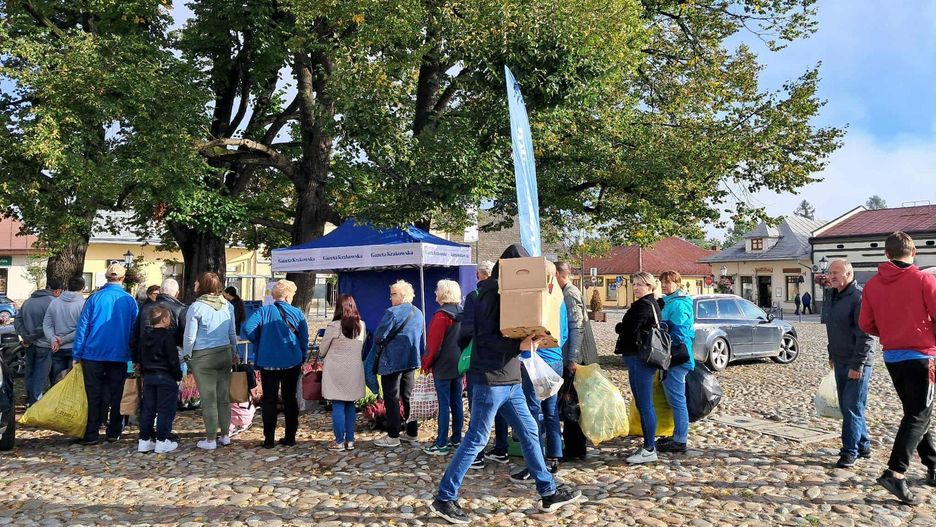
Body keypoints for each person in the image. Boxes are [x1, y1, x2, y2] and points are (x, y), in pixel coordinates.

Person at [429, 244, 584, 525]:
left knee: (529, 431)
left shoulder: (508, 293)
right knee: (477, 438)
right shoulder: (490, 293)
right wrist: (519, 345)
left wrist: (530, 339)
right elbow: (485, 338)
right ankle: (444, 497)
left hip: (510, 378)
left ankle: (548, 491)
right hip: (489, 379)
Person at [859, 231, 936, 505]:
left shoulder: (872, 284)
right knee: (918, 414)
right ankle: (895, 472)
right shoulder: (923, 279)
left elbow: (865, 324)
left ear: (887, 254)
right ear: (913, 252)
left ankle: (932, 464)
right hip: (921, 356)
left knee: (915, 413)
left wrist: (892, 332)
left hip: (893, 356)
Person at [72, 264, 139, 445]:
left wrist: (77, 354)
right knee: (117, 394)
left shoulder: (94, 298)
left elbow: (83, 328)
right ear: (123, 278)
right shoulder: (129, 300)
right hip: (119, 354)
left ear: (106, 277)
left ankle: (91, 433)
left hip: (92, 353)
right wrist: (134, 356)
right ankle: (114, 432)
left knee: (92, 394)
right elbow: (134, 331)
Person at [242, 279, 309, 448]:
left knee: (269, 399)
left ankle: (269, 439)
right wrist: (302, 355)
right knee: (290, 398)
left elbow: (247, 328)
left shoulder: (264, 311)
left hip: (268, 362)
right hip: (291, 361)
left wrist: (260, 341)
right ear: (287, 297)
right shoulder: (297, 313)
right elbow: (304, 339)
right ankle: (290, 437)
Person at [822, 259, 874, 469]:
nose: (831, 276)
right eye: (830, 272)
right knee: (848, 406)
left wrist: (857, 366)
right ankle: (863, 445)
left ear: (849, 274)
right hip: (840, 358)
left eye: (836, 272)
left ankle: (849, 452)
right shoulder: (832, 295)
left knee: (852, 407)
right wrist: (832, 354)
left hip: (857, 362)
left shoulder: (858, 297)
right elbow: (832, 328)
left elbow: (866, 336)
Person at [509, 296, 568, 480]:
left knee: (532, 411)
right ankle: (554, 456)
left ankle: (536, 462)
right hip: (555, 358)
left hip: (535, 360)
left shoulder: (532, 299)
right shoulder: (559, 301)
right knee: (551, 410)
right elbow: (564, 333)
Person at [460, 261, 510, 469]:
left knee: (478, 408)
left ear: (478, 275)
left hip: (480, 358)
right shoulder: (505, 295)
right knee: (502, 407)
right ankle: (501, 448)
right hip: (504, 359)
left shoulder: (474, 296)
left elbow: (466, 331)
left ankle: (477, 455)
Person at [182, 272, 239, 450]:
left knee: (209, 398)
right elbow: (232, 332)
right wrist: (235, 351)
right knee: (223, 396)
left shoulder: (196, 307)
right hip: (224, 352)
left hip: (203, 356)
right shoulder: (227, 305)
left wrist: (187, 355)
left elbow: (189, 336)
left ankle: (210, 438)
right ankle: (225, 435)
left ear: (202, 286)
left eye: (197, 282)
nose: (194, 285)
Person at [614, 271, 661, 464]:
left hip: (639, 358)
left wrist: (620, 327)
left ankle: (649, 448)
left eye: (639, 285)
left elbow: (628, 329)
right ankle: (648, 445)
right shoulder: (651, 303)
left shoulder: (643, 305)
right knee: (642, 403)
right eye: (633, 284)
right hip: (639, 357)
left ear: (649, 286)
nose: (635, 288)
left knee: (645, 403)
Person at [373, 279, 425, 447]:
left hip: (392, 361)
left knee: (392, 398)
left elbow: (379, 336)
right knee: (409, 396)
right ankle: (412, 433)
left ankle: (393, 436)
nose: (390, 298)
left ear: (402, 295)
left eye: (393, 294)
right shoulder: (418, 313)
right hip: (411, 359)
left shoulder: (392, 313)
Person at [421, 280, 464, 456]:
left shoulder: (441, 316)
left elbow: (434, 345)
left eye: (437, 290)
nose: (435, 292)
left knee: (444, 405)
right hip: (459, 363)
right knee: (457, 402)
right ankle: (457, 438)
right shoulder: (463, 312)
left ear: (444, 293)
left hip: (443, 364)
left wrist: (426, 363)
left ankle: (441, 443)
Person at [134, 306, 183, 454]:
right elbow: (173, 359)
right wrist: (178, 375)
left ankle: (144, 440)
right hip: (165, 376)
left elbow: (140, 355)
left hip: (149, 376)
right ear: (164, 319)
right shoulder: (167, 336)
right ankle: (162, 440)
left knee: (148, 409)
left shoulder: (145, 335)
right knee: (165, 410)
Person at [319, 294, 365, 451]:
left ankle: (339, 441)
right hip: (354, 369)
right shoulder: (361, 326)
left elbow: (322, 350)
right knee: (350, 404)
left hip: (336, 370)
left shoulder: (333, 326)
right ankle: (350, 441)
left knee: (338, 404)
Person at [657, 270, 695, 454]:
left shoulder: (679, 304)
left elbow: (679, 334)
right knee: (674, 400)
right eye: (662, 282)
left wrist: (660, 339)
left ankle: (680, 439)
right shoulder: (669, 302)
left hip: (677, 358)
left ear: (678, 284)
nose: (664, 285)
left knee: (678, 400)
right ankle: (677, 434)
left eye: (668, 282)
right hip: (671, 357)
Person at [556, 262, 588, 461]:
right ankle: (573, 447)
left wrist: (572, 358)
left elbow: (577, 327)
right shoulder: (565, 292)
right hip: (569, 356)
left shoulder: (569, 294)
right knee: (570, 403)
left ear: (558, 274)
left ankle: (575, 449)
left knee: (571, 404)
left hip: (573, 357)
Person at [15, 277, 63, 405]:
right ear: (57, 291)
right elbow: (46, 325)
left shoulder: (28, 301)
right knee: (40, 376)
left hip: (29, 344)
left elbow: (18, 320)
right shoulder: (53, 302)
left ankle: (29, 400)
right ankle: (35, 402)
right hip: (45, 344)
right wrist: (32, 337)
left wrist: (26, 336)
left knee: (29, 373)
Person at [42, 275, 86, 385]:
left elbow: (47, 324)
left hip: (57, 347)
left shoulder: (55, 302)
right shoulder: (83, 304)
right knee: (73, 383)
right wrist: (63, 340)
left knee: (57, 381)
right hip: (75, 347)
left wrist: (53, 339)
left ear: (67, 286)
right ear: (83, 288)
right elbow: (83, 328)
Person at [132, 278, 187, 359]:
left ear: (160, 291)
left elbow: (136, 334)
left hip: (146, 356)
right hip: (171, 356)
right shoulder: (180, 310)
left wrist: (135, 358)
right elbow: (185, 337)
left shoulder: (145, 308)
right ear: (177, 293)